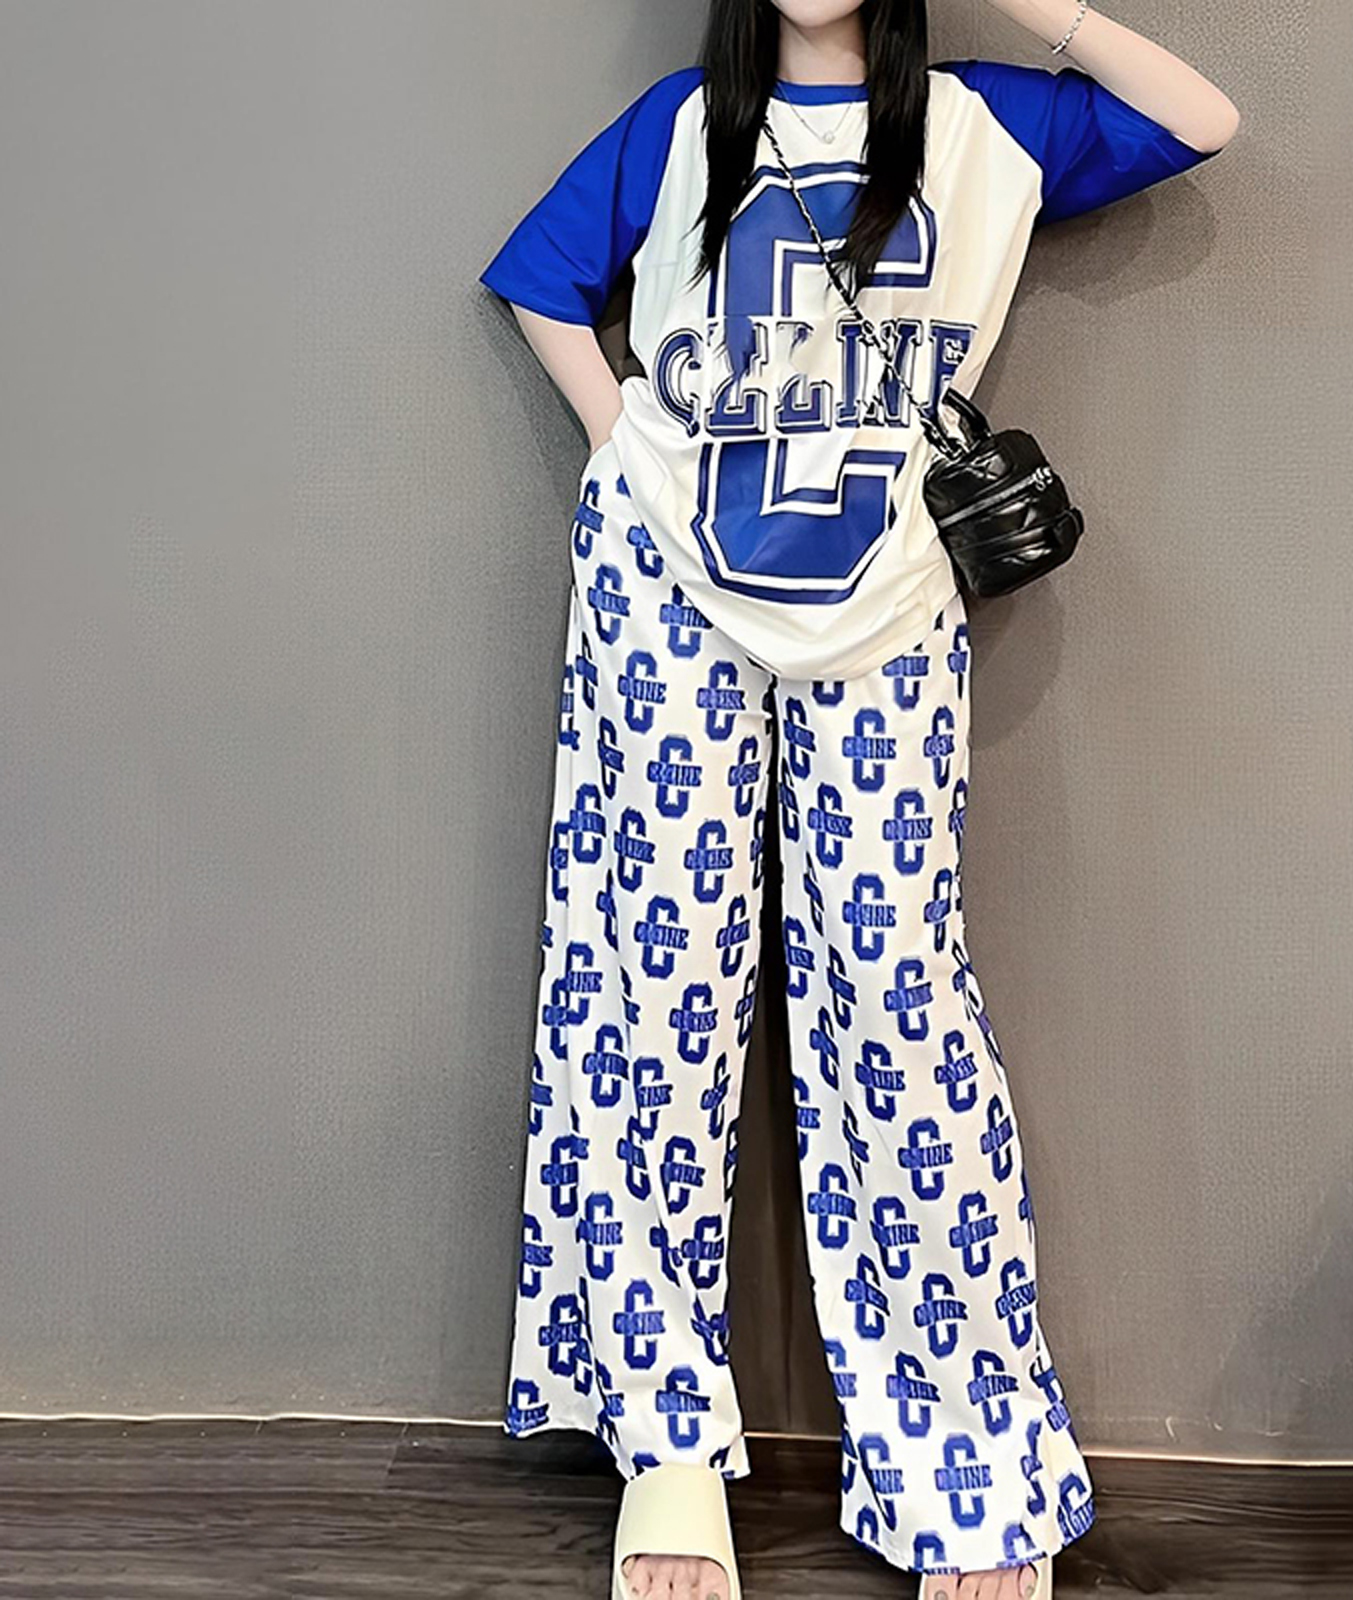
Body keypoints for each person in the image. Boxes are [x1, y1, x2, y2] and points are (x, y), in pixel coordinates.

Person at [477, 3, 1239, 1597]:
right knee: (649, 996)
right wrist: (631, 459)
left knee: (896, 995)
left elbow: (1200, 120)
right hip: (668, 600)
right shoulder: (677, 128)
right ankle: (662, 1443)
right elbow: (541, 280)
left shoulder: (983, 128)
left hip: (888, 606)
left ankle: (962, 1464)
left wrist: (1043, 7)